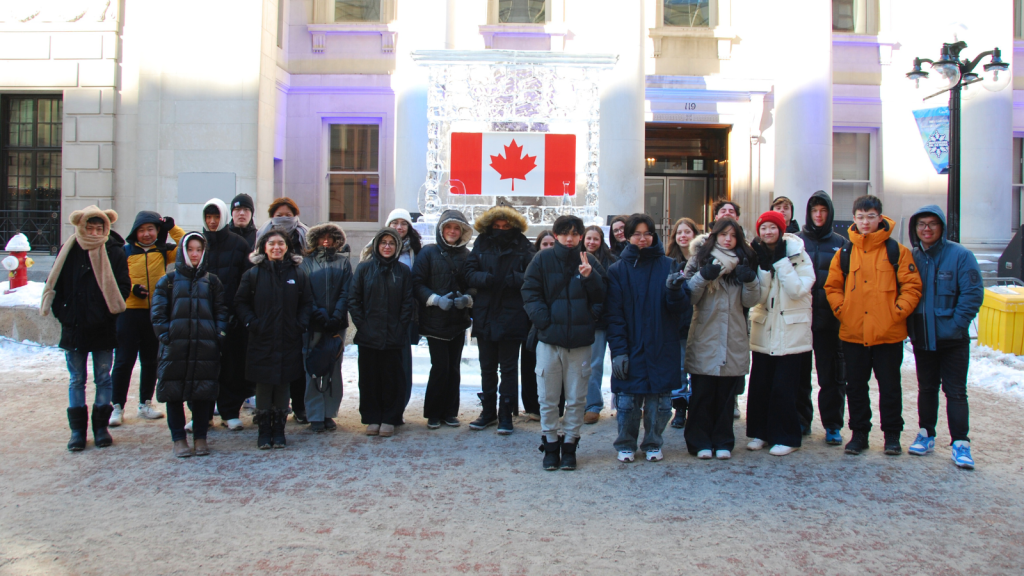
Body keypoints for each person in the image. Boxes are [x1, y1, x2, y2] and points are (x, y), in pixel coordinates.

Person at [825, 195, 922, 456]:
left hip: (888, 333)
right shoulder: (845, 252)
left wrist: (897, 312)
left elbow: (912, 286)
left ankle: (892, 435)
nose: (865, 222)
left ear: (880, 218)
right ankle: (859, 434)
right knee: (855, 387)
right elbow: (832, 286)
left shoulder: (897, 251)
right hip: (853, 332)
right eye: (860, 217)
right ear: (853, 219)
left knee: (890, 386)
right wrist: (842, 310)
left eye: (870, 216)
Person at [41, 206, 130, 451]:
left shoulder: (114, 251)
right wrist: (65, 313)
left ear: (106, 227)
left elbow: (123, 285)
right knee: (77, 379)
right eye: (89, 228)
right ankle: (77, 431)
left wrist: (107, 312)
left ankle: (100, 428)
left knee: (103, 378)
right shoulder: (69, 249)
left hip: (103, 327)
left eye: (98, 228)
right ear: (80, 226)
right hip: (75, 326)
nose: (93, 232)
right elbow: (56, 284)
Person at [522, 215, 606, 470]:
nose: (569, 239)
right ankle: (550, 444)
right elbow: (529, 292)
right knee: (547, 397)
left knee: (576, 398)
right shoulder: (542, 259)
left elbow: (603, 296)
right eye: (564, 233)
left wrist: (590, 279)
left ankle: (570, 444)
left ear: (581, 236)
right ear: (556, 235)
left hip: (580, 343)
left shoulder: (589, 260)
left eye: (574, 234)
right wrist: (544, 322)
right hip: (549, 341)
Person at [605, 214, 688, 463]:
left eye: (647, 234)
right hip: (631, 344)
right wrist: (619, 351)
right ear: (628, 237)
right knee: (628, 402)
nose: (643, 239)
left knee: (660, 402)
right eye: (637, 234)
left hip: (662, 343)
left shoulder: (668, 265)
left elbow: (682, 311)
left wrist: (675, 292)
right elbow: (614, 315)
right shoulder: (618, 270)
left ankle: (653, 441)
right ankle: (626, 443)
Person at [906, 205, 983, 469]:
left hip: (953, 340)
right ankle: (926, 432)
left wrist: (956, 325)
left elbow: (972, 294)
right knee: (926, 388)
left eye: (932, 224)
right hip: (923, 337)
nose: (926, 229)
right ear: (915, 229)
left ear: (942, 228)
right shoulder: (912, 257)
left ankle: (961, 442)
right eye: (921, 225)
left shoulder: (961, 255)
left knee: (956, 392)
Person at [683, 217, 761, 460]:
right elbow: (689, 297)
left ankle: (723, 440)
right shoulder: (700, 258)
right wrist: (703, 276)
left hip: (733, 335)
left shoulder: (745, 261)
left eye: (733, 235)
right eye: (723, 234)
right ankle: (699, 441)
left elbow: (750, 302)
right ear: (714, 235)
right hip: (705, 333)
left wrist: (750, 281)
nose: (728, 239)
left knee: (727, 396)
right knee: (702, 393)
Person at [151, 233, 229, 457]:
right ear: (183, 251)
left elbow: (221, 311)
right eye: (191, 249)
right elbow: (158, 315)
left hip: (205, 347)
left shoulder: (212, 282)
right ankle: (178, 439)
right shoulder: (168, 281)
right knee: (173, 393)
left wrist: (218, 334)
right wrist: (167, 336)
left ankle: (201, 437)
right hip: (175, 348)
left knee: (203, 393)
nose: (194, 254)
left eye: (198, 250)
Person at [235, 229, 313, 449]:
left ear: (287, 247)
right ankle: (264, 431)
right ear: (264, 247)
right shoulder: (253, 274)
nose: (276, 247)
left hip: (288, 338)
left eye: (281, 243)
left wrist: (300, 324)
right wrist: (252, 323)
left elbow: (307, 303)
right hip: (262, 339)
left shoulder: (297, 274)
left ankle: (279, 430)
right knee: (264, 385)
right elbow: (240, 303)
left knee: (283, 385)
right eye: (272, 244)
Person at [745, 211, 815, 456]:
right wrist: (763, 269)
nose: (767, 232)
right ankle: (760, 433)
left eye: (772, 227)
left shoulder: (798, 255)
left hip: (791, 331)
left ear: (781, 229)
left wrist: (780, 262)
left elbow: (798, 289)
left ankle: (787, 436)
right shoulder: (757, 255)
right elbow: (759, 297)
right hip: (765, 329)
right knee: (761, 385)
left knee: (784, 389)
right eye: (763, 228)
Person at [463, 205, 535, 432]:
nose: (501, 229)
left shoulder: (524, 245)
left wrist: (514, 279)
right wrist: (486, 279)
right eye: (497, 226)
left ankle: (506, 414)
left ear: (513, 226)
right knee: (487, 367)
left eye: (506, 226)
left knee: (509, 368)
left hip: (512, 314)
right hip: (485, 313)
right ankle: (488, 412)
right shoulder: (482, 242)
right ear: (490, 226)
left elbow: (533, 275)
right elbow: (468, 273)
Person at [109, 210, 185, 426]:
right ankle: (117, 406)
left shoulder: (162, 251)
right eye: (142, 230)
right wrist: (131, 289)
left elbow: (186, 245)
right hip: (129, 312)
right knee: (124, 361)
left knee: (151, 361)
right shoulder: (124, 252)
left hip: (155, 313)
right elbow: (115, 278)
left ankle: (145, 403)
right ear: (135, 231)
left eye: (151, 229)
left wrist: (172, 228)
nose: (146, 234)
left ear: (157, 231)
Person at [349, 228, 415, 437]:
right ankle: (372, 417)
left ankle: (390, 417)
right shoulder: (364, 268)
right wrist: (363, 325)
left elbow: (408, 303)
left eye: (392, 243)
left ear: (397, 247)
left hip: (394, 335)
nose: (387, 246)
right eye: (383, 242)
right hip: (369, 335)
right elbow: (354, 299)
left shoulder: (403, 271)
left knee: (392, 378)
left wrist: (400, 327)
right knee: (369, 378)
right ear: (377, 245)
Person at [412, 210, 474, 429]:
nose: (452, 232)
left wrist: (468, 299)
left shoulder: (468, 256)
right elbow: (417, 283)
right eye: (449, 227)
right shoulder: (428, 253)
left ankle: (450, 412)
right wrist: (435, 299)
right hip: (434, 321)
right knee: (439, 367)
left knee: (454, 367)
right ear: (441, 229)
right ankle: (433, 412)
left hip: (457, 322)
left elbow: (473, 285)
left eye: (457, 228)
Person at [796, 191, 848, 445]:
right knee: (799, 376)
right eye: (815, 210)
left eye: (823, 211)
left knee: (833, 377)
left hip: (831, 323)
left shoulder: (842, 243)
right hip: (801, 321)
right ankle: (802, 420)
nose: (819, 215)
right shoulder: (795, 241)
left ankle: (832, 424)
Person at [362, 208, 422, 423]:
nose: (399, 227)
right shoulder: (371, 250)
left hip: (403, 319)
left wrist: (405, 319)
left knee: (400, 367)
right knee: (374, 370)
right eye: (395, 222)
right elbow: (358, 290)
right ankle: (376, 412)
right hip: (374, 321)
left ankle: (396, 411)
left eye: (403, 223)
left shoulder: (416, 250)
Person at [199, 198, 253, 431]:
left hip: (232, 316)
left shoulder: (239, 244)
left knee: (232, 365)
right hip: (203, 315)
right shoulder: (197, 243)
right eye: (208, 217)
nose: (212, 222)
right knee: (203, 366)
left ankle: (230, 411)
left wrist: (238, 312)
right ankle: (201, 413)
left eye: (216, 217)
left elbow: (246, 282)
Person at [255, 197, 310, 422]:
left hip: (292, 314)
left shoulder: (304, 234)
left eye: (288, 214)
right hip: (267, 319)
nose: (284, 218)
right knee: (267, 369)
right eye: (279, 214)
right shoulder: (262, 235)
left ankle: (298, 407)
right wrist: (253, 321)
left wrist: (300, 322)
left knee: (294, 367)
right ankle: (266, 412)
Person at [300, 223, 353, 433]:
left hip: (337, 325)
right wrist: (319, 314)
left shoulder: (343, 263)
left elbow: (346, 291)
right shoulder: (306, 263)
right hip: (314, 324)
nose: (325, 241)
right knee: (312, 368)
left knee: (333, 369)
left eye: (330, 238)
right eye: (321, 237)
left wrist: (337, 314)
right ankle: (314, 414)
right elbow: (306, 292)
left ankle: (329, 413)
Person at [582, 225, 618, 424]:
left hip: (606, 319)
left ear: (601, 240)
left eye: (595, 239)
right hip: (587, 320)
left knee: (609, 363)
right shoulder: (577, 259)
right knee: (589, 365)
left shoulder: (611, 261)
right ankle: (590, 404)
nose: (591, 243)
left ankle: (611, 404)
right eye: (589, 238)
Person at [519, 230, 556, 422]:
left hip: (555, 323)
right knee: (529, 365)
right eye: (545, 244)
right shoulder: (531, 264)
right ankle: (532, 406)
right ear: (538, 246)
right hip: (530, 322)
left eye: (552, 244)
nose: (548, 248)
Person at [666, 217, 699, 429]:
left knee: (697, 368)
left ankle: (696, 408)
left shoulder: (702, 261)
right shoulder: (669, 261)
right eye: (679, 232)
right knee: (678, 369)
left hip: (699, 323)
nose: (683, 236)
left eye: (687, 231)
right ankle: (679, 408)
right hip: (677, 323)